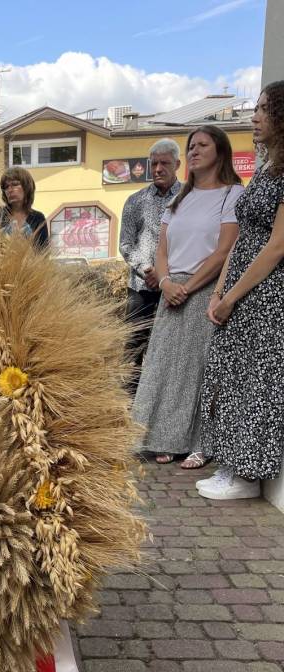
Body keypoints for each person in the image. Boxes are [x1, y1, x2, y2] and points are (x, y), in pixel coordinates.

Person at [132, 125, 244, 468]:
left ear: (220, 151)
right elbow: (162, 249)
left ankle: (198, 442)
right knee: (163, 367)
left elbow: (225, 250)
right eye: (191, 146)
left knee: (198, 370)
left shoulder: (232, 194)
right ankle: (162, 438)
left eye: (202, 145)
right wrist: (166, 282)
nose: (194, 151)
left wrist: (189, 287)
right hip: (171, 292)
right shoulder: (180, 198)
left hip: (206, 290)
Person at [198, 82, 284, 500]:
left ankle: (247, 475)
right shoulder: (266, 169)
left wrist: (232, 296)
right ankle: (230, 464)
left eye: (264, 108)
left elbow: (277, 246)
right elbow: (242, 238)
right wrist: (220, 292)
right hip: (239, 291)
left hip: (265, 296)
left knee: (256, 381)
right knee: (230, 375)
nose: (255, 115)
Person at [119, 139, 182, 390]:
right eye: (153, 163)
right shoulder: (135, 201)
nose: (157, 169)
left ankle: (163, 394)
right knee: (134, 344)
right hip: (141, 287)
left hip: (177, 286)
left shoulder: (189, 199)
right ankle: (130, 398)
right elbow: (125, 244)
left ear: (177, 164)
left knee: (171, 345)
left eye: (164, 163)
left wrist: (165, 275)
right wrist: (148, 270)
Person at [0, 167, 48, 250]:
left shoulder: (38, 218)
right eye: (6, 187)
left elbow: (43, 252)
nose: (10, 190)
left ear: (27, 187)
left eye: (15, 184)